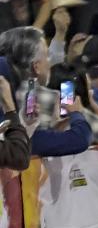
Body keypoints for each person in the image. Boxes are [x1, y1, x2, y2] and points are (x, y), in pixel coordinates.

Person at [0, 25, 92, 158]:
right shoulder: (26, 89)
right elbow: (80, 140)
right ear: (35, 66)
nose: (50, 63)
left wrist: (29, 125)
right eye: (47, 56)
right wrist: (76, 113)